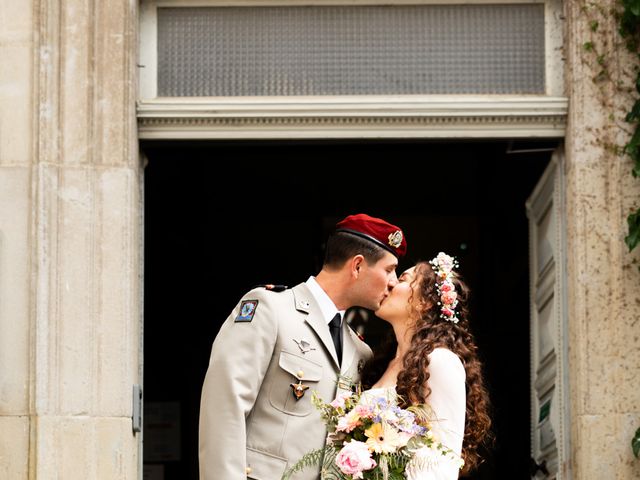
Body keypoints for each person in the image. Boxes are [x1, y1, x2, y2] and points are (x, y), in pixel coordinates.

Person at [198, 213, 408, 480]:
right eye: (389, 270)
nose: (394, 281)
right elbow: (224, 407)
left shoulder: (360, 350)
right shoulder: (270, 309)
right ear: (357, 266)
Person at [362, 252, 492, 479]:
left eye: (402, 279)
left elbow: (444, 461)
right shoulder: (380, 365)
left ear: (426, 302)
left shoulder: (440, 361)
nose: (391, 283)